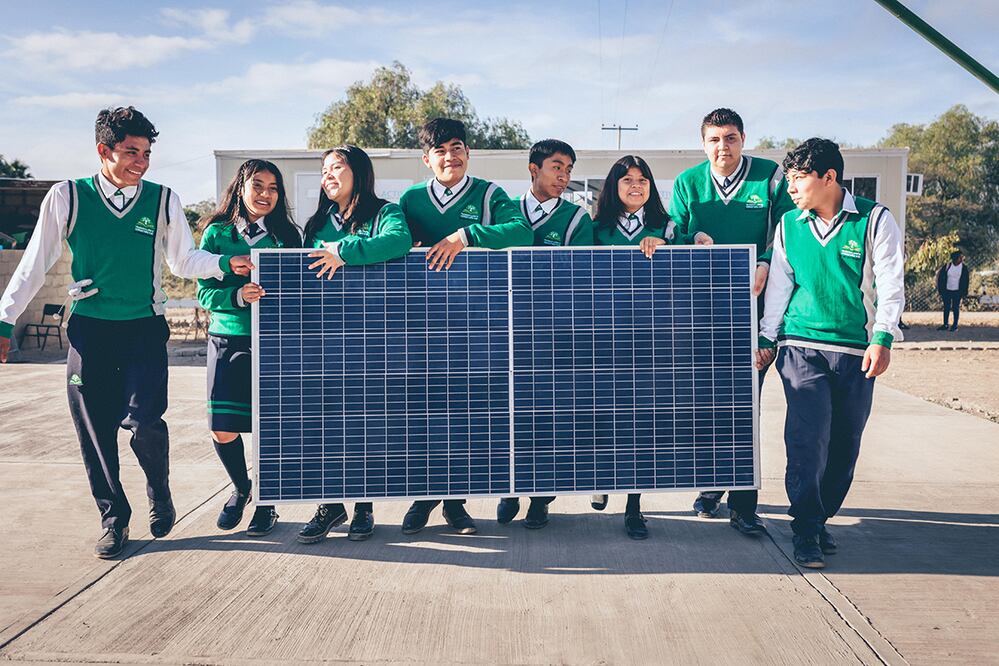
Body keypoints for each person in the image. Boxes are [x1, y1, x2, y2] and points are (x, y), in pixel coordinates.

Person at [0, 106, 253, 558]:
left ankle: (160, 492)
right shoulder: (68, 196)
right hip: (90, 331)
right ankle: (114, 519)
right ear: (104, 150)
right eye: (132, 152)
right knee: (95, 431)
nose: (142, 162)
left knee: (145, 423)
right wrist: (5, 320)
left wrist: (223, 263)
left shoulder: (162, 199)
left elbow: (183, 261)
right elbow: (35, 262)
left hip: (143, 329)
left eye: (147, 153)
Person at [757, 138, 904, 568]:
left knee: (844, 444)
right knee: (807, 440)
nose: (790, 188)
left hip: (856, 350)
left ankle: (820, 517)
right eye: (788, 179)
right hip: (801, 346)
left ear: (829, 177)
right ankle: (805, 528)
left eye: (798, 179)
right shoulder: (789, 224)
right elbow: (780, 285)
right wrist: (768, 338)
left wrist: (883, 337)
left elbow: (890, 281)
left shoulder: (875, 220)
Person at [398, 117, 533, 535]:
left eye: (456, 147)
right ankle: (423, 497)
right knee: (423, 413)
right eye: (439, 150)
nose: (449, 156)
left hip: (475, 323)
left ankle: (456, 503)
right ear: (426, 159)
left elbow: (521, 232)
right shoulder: (411, 199)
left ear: (468, 152)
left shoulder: (489, 194)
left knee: (463, 414)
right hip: (422, 323)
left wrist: (466, 236)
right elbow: (394, 240)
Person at [670, 107, 796, 535]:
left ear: (743, 139)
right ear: (703, 143)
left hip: (753, 312)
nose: (722, 147)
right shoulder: (688, 183)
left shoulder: (769, 177)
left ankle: (744, 505)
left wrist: (765, 260)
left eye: (730, 138)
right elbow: (674, 234)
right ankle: (712, 486)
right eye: (714, 139)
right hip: (703, 315)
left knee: (745, 408)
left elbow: (787, 230)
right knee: (708, 409)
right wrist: (691, 238)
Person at [297, 144, 413, 543]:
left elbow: (398, 242)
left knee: (369, 422)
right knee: (328, 423)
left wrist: (344, 252)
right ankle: (330, 504)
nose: (328, 175)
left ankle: (364, 505)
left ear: (359, 172)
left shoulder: (385, 213)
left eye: (336, 167)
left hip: (377, 336)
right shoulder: (317, 224)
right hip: (328, 338)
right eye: (324, 170)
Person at [197, 159, 301, 537]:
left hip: (274, 343)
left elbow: (300, 291)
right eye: (258, 185)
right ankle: (242, 488)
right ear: (240, 187)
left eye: (273, 188)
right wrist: (238, 296)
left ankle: (266, 504)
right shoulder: (217, 234)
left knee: (268, 428)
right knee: (222, 427)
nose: (265, 194)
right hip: (227, 339)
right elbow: (204, 293)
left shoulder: (287, 237)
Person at [496, 138, 594, 530]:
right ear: (533, 169)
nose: (564, 176)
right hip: (503, 332)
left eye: (569, 170)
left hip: (552, 334)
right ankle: (507, 488)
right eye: (557, 167)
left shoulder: (576, 220)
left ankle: (540, 498)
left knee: (547, 419)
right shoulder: (505, 212)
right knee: (505, 415)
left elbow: (578, 280)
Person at [591, 154, 676, 540]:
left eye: (642, 179)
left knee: (639, 424)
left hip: (648, 339)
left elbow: (693, 261)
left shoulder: (666, 226)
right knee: (601, 417)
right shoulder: (596, 229)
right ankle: (599, 478)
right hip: (602, 339)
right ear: (614, 185)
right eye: (627, 179)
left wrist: (666, 244)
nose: (636, 185)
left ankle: (634, 506)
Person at [936, 251, 969, 331]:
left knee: (955, 307)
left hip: (957, 291)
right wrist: (941, 289)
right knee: (946, 307)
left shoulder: (963, 268)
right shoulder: (948, 266)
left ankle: (955, 325)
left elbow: (966, 280)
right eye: (960, 257)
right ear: (955, 258)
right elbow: (941, 278)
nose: (961, 259)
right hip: (947, 290)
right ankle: (945, 324)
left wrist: (964, 292)